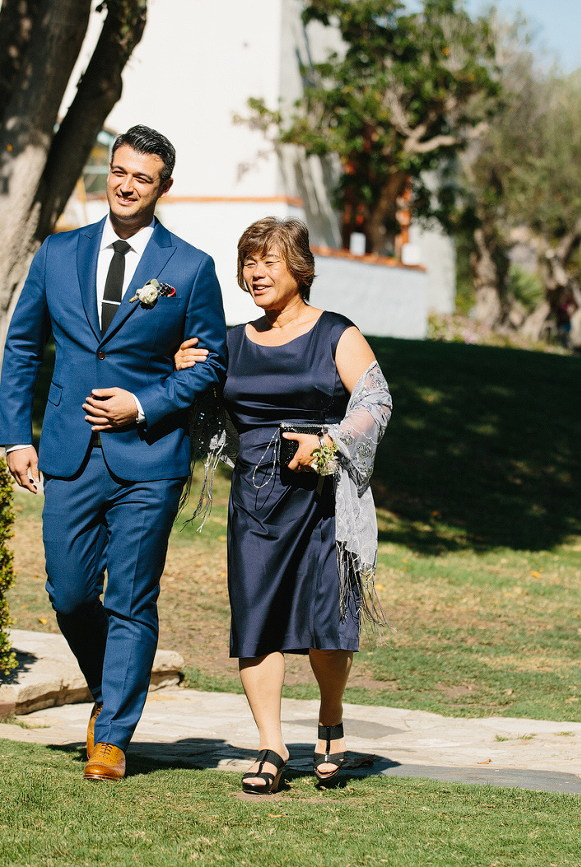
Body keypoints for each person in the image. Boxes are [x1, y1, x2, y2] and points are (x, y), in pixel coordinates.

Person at [0, 125, 227, 782]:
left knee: (130, 597)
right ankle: (113, 685)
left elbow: (207, 364)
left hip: (150, 458)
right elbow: (22, 347)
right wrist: (16, 434)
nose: (127, 185)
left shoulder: (188, 268)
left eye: (143, 177)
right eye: (119, 172)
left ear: (164, 187)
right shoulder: (58, 252)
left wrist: (144, 402)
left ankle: (113, 733)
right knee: (68, 593)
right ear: (109, 173)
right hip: (68, 452)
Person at [175, 217, 392, 794]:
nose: (257, 271)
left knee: (326, 623)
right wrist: (184, 374)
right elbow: (194, 405)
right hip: (255, 502)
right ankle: (270, 745)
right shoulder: (230, 342)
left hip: (323, 500)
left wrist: (330, 442)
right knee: (257, 620)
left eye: (269, 260)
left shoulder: (335, 334)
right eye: (249, 261)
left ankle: (329, 715)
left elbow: (376, 400)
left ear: (300, 268)